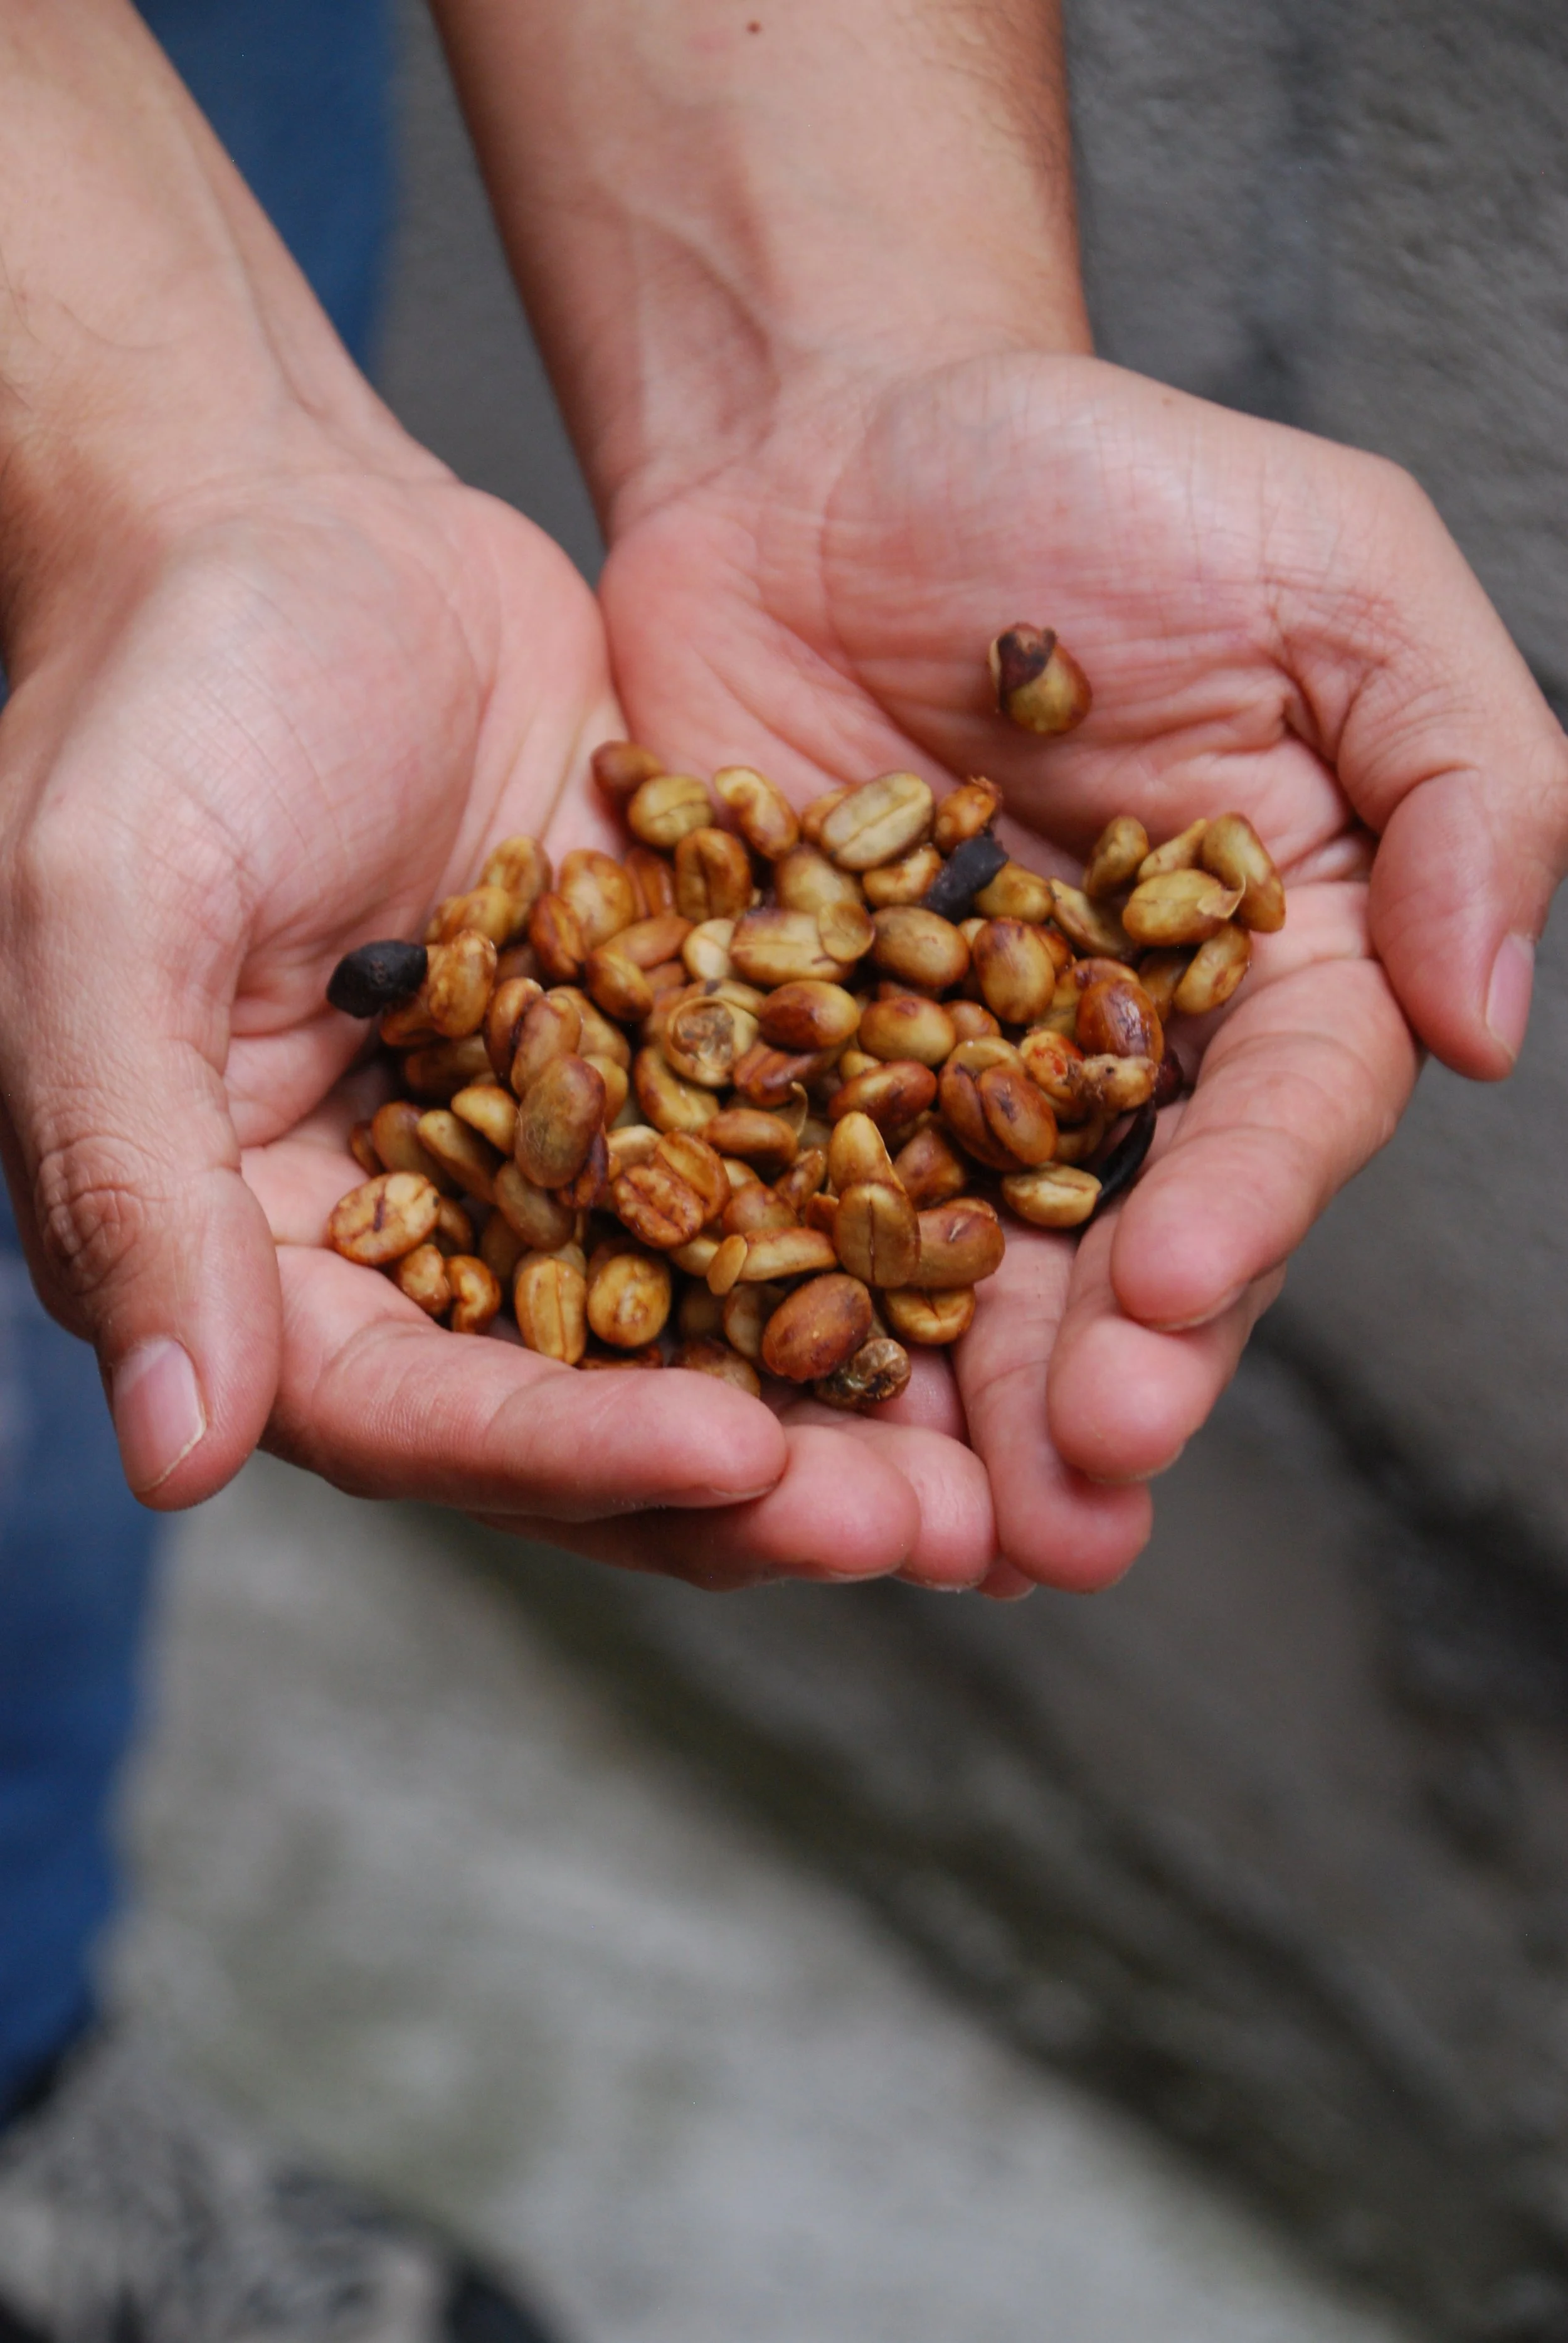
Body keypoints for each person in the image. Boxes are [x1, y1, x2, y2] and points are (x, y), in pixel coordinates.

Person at [0, 0, 1563, 2332]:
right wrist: (130, 479)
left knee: (76, 1337)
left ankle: (20, 2071)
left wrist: (843, 353)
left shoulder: (740, 1042)